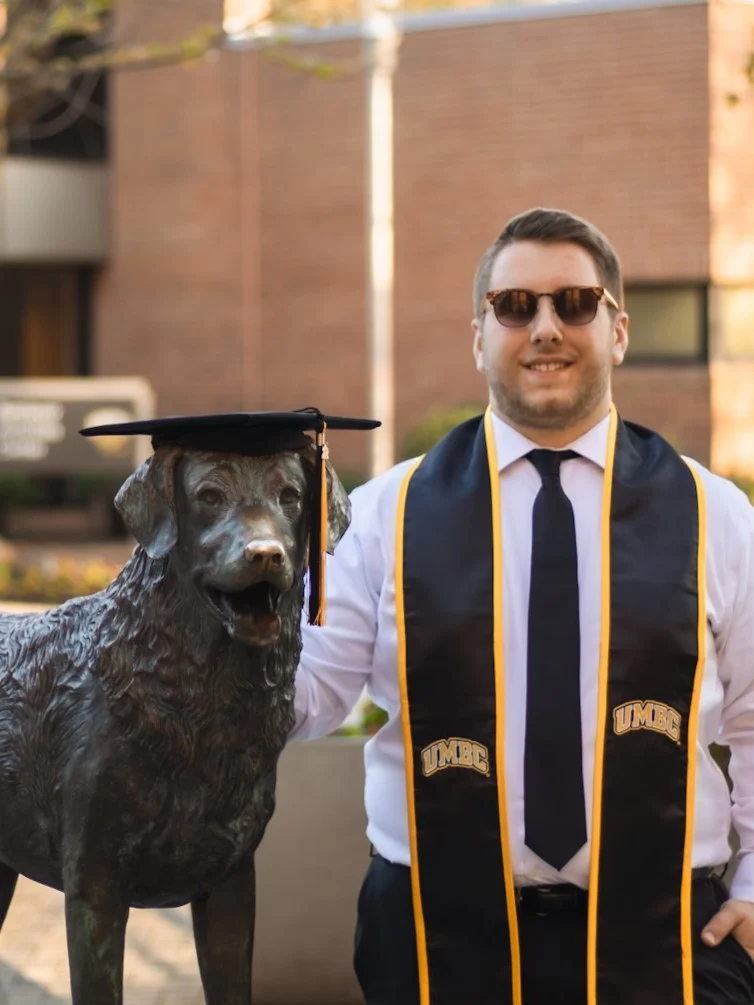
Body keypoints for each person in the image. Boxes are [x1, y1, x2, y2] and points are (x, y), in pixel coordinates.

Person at [290, 208, 754, 1005]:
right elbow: (306, 698)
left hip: (671, 936)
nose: (545, 326)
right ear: (480, 337)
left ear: (617, 331)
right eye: (515, 306)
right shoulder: (382, 513)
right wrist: (216, 626)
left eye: (576, 302)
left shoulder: (717, 515)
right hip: (435, 937)